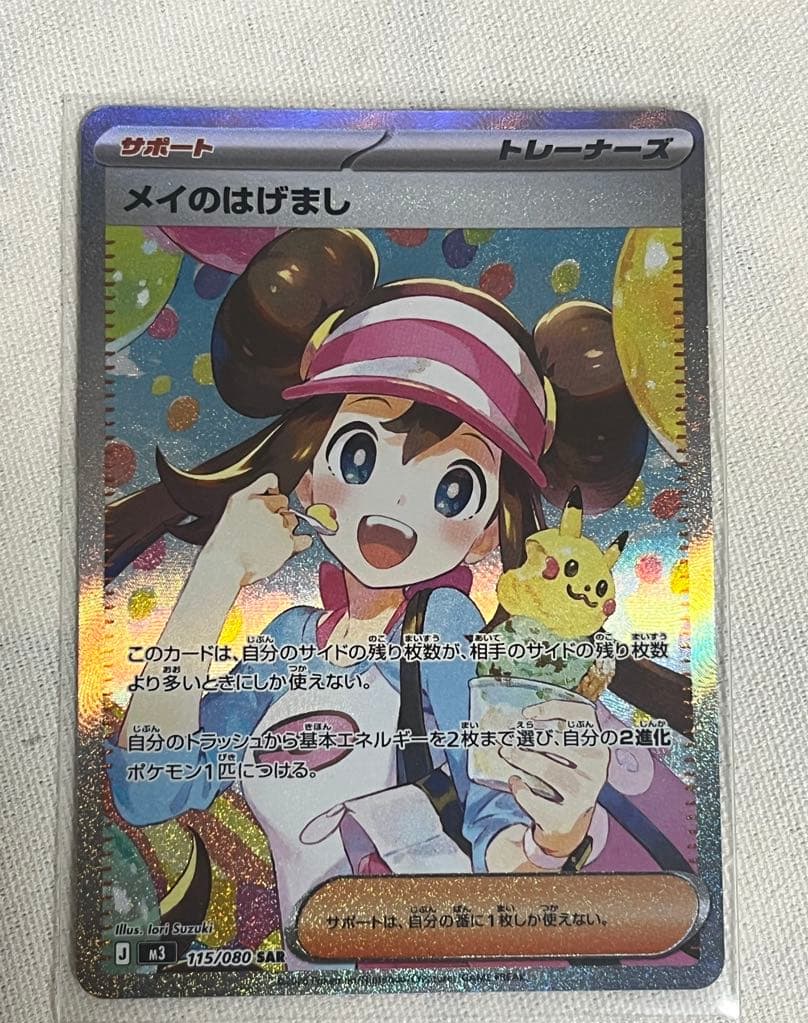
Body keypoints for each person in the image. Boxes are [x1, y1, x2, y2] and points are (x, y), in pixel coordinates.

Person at [106, 229, 694, 967]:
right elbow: (153, 786)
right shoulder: (290, 642)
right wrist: (216, 574)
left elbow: (493, 827)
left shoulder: (443, 627)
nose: (395, 508)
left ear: (486, 533)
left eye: (453, 488)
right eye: (359, 454)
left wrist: (556, 836)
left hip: (425, 974)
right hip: (313, 987)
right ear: (308, 472)